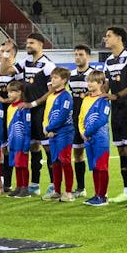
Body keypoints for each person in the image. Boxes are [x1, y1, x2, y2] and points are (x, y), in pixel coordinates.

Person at [102, 26, 127, 204]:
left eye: (109, 36)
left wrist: (116, 95)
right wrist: (100, 92)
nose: (106, 38)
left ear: (119, 38)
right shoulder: (109, 60)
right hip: (116, 110)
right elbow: (106, 84)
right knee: (120, 150)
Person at [21, 32, 57, 196]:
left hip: (41, 111)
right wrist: (7, 53)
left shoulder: (48, 65)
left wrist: (34, 103)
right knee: (33, 147)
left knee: (48, 148)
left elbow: (52, 90)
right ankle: (34, 185)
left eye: (32, 43)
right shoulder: (25, 62)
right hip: (28, 113)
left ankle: (53, 184)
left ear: (41, 45)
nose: (28, 45)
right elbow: (5, 70)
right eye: (27, 43)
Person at [43, 67, 75, 202]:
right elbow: (47, 113)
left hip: (65, 132)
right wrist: (46, 128)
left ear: (64, 80)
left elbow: (63, 115)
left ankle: (68, 192)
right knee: (55, 161)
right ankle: (56, 191)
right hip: (53, 133)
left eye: (55, 77)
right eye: (52, 77)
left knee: (65, 161)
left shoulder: (66, 96)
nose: (52, 79)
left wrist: (49, 127)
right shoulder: (51, 96)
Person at [80, 72, 111, 207]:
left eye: (92, 81)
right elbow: (80, 117)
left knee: (102, 167)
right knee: (94, 167)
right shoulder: (86, 99)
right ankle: (96, 194)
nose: (89, 84)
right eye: (88, 81)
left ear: (100, 83)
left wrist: (87, 132)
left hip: (100, 139)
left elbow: (102, 119)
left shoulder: (104, 100)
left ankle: (102, 196)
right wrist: (82, 132)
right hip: (88, 139)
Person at [0, 39, 22, 191]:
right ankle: (3, 181)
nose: (2, 54)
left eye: (5, 51)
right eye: (0, 51)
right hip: (0, 117)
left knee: (12, 149)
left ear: (12, 54)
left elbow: (18, 95)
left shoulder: (17, 71)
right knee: (1, 149)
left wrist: (4, 99)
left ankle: (10, 183)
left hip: (14, 116)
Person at [68, 45, 93, 198]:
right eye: (76, 54)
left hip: (91, 122)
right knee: (77, 154)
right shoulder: (71, 76)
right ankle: (81, 188)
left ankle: (100, 191)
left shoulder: (94, 75)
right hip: (75, 121)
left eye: (81, 54)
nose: (78, 57)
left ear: (88, 56)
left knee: (95, 155)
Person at [5, 82, 32, 198]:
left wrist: (26, 144)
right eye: (8, 92)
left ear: (19, 92)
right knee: (16, 164)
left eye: (12, 91)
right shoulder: (10, 107)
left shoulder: (23, 107)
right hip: (12, 141)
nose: (9, 94)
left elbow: (27, 127)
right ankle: (19, 186)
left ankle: (25, 188)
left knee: (23, 165)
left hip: (21, 142)